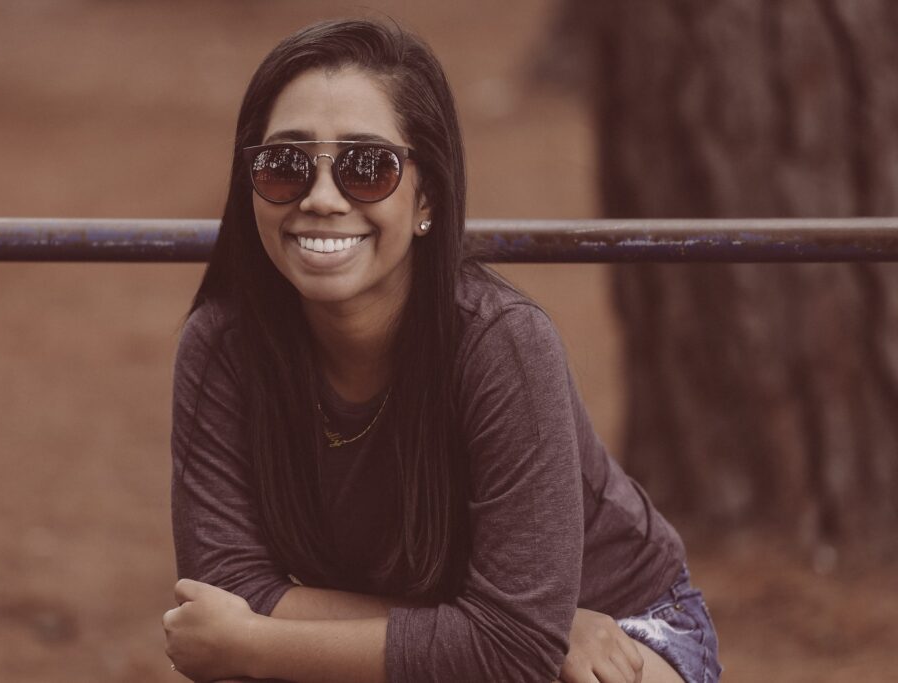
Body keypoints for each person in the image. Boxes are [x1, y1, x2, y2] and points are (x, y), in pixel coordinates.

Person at [162, 18, 722, 683]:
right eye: (285, 165)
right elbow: (228, 593)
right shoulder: (224, 344)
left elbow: (511, 653)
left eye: (367, 167)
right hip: (531, 629)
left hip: (614, 624)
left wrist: (257, 645)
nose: (320, 197)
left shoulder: (502, 343)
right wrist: (513, 625)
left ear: (426, 196)